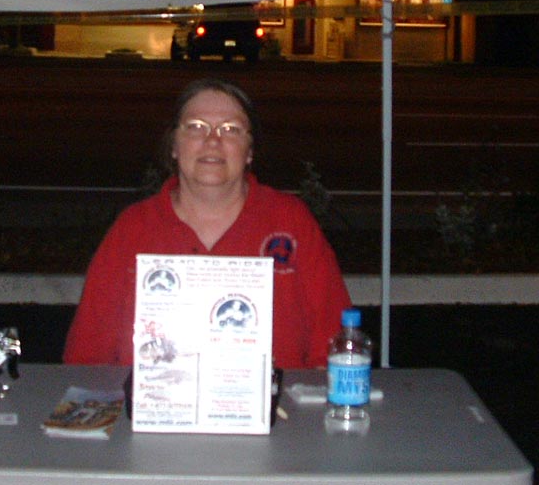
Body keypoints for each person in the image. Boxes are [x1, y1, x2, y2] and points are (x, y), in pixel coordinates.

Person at [63, 77, 351, 369]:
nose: (213, 141)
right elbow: (86, 357)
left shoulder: (291, 221)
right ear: (174, 146)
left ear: (250, 151)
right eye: (196, 127)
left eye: (231, 129)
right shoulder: (133, 228)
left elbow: (336, 347)